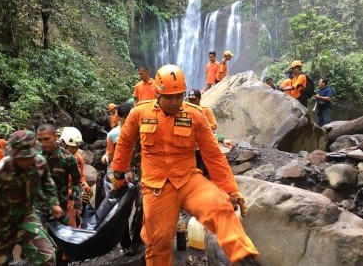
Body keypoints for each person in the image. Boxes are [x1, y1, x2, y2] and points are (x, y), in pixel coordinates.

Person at [111, 65, 259, 266]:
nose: (174, 102)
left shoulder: (195, 115)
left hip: (189, 180)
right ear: (157, 94)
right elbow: (125, 143)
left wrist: (231, 190)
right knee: (158, 241)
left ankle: (244, 258)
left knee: (221, 206)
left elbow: (213, 155)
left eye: (179, 96)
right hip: (156, 187)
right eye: (169, 97)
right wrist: (119, 173)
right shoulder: (139, 113)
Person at [0, 130, 62, 266]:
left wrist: (53, 203)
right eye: (21, 158)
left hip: (25, 216)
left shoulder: (39, 163)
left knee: (47, 257)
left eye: (28, 156)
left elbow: (46, 183)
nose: (25, 161)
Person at [100, 102, 136, 256]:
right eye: (125, 118)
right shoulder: (113, 134)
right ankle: (126, 243)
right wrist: (106, 156)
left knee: (142, 207)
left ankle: (140, 237)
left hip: (139, 172)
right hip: (120, 173)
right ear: (119, 117)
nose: (128, 121)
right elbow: (110, 152)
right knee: (121, 209)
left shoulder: (141, 130)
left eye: (130, 117)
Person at [36, 124, 82, 228]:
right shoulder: (35, 156)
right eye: (40, 140)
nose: (43, 143)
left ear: (55, 137)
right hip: (38, 207)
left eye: (47, 139)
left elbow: (76, 182)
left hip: (60, 207)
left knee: (59, 238)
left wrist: (77, 204)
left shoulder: (67, 158)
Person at [59, 128, 93, 224]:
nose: (74, 150)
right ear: (63, 144)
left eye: (76, 147)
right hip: (57, 200)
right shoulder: (55, 160)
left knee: (73, 227)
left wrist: (85, 185)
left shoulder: (78, 159)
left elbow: (80, 176)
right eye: (71, 147)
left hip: (71, 201)